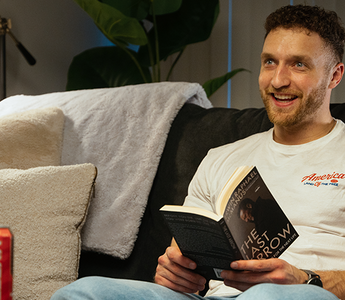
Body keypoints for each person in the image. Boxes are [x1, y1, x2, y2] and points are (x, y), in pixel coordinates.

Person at [51, 4, 345, 300]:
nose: (278, 80)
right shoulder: (220, 157)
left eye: (298, 65)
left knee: (266, 296)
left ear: (334, 76)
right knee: (83, 291)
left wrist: (307, 280)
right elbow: (183, 260)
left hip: (305, 293)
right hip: (213, 297)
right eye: (270, 62)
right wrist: (173, 273)